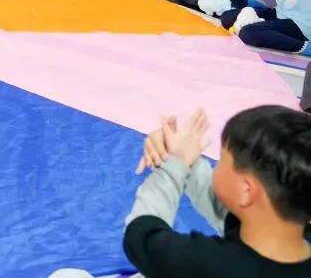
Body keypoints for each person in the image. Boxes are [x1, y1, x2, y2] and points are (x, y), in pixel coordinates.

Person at [122, 105, 311, 277]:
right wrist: (184, 157)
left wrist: (173, 165)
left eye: (221, 159)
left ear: (246, 189)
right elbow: (229, 213)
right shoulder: (291, 237)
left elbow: (141, 236)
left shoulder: (203, 263)